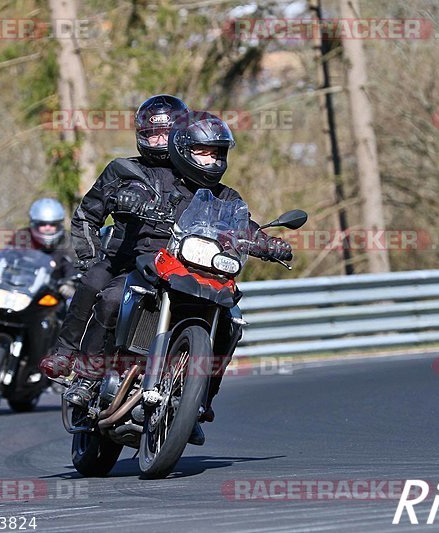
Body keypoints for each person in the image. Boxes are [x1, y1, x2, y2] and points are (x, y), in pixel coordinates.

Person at [45, 111, 292, 445]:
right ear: (185, 148)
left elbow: (242, 225)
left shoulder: (225, 197)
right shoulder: (136, 173)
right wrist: (124, 202)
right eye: (205, 152)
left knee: (232, 321)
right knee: (111, 296)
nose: (213, 160)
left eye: (218, 153)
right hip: (147, 263)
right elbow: (98, 207)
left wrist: (268, 242)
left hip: (198, 268)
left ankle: (198, 401)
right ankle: (87, 377)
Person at [39, 94, 188, 377]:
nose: (159, 141)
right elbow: (86, 216)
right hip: (124, 260)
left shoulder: (197, 176)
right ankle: (68, 355)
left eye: (166, 134)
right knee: (98, 285)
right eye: (152, 134)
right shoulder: (122, 170)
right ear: (141, 135)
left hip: (180, 263)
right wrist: (90, 257)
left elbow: (223, 211)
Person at [0, 198, 76, 374]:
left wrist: (69, 283)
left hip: (49, 295)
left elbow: (73, 267)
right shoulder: (23, 237)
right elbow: (5, 259)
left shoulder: (67, 244)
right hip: (21, 290)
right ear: (34, 223)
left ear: (59, 225)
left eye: (52, 225)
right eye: (43, 224)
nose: (48, 229)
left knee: (64, 318)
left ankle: (55, 364)